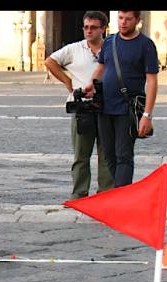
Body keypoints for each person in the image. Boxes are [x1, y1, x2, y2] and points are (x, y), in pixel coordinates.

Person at [82, 11, 158, 187]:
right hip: (104, 106)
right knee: (108, 154)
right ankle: (120, 193)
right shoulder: (109, 41)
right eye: (121, 18)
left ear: (138, 20)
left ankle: (122, 197)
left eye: (128, 19)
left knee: (123, 155)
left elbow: (152, 81)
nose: (123, 23)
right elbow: (101, 68)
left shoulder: (145, 45)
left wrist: (147, 115)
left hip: (127, 108)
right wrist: (91, 84)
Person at [44, 11, 114, 200]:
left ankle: (106, 193)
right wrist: (67, 82)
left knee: (106, 153)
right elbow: (50, 61)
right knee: (81, 154)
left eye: (93, 27)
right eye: (86, 27)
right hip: (82, 107)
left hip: (107, 106)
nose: (88, 31)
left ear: (103, 29)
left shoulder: (112, 48)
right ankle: (79, 193)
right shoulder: (74, 49)